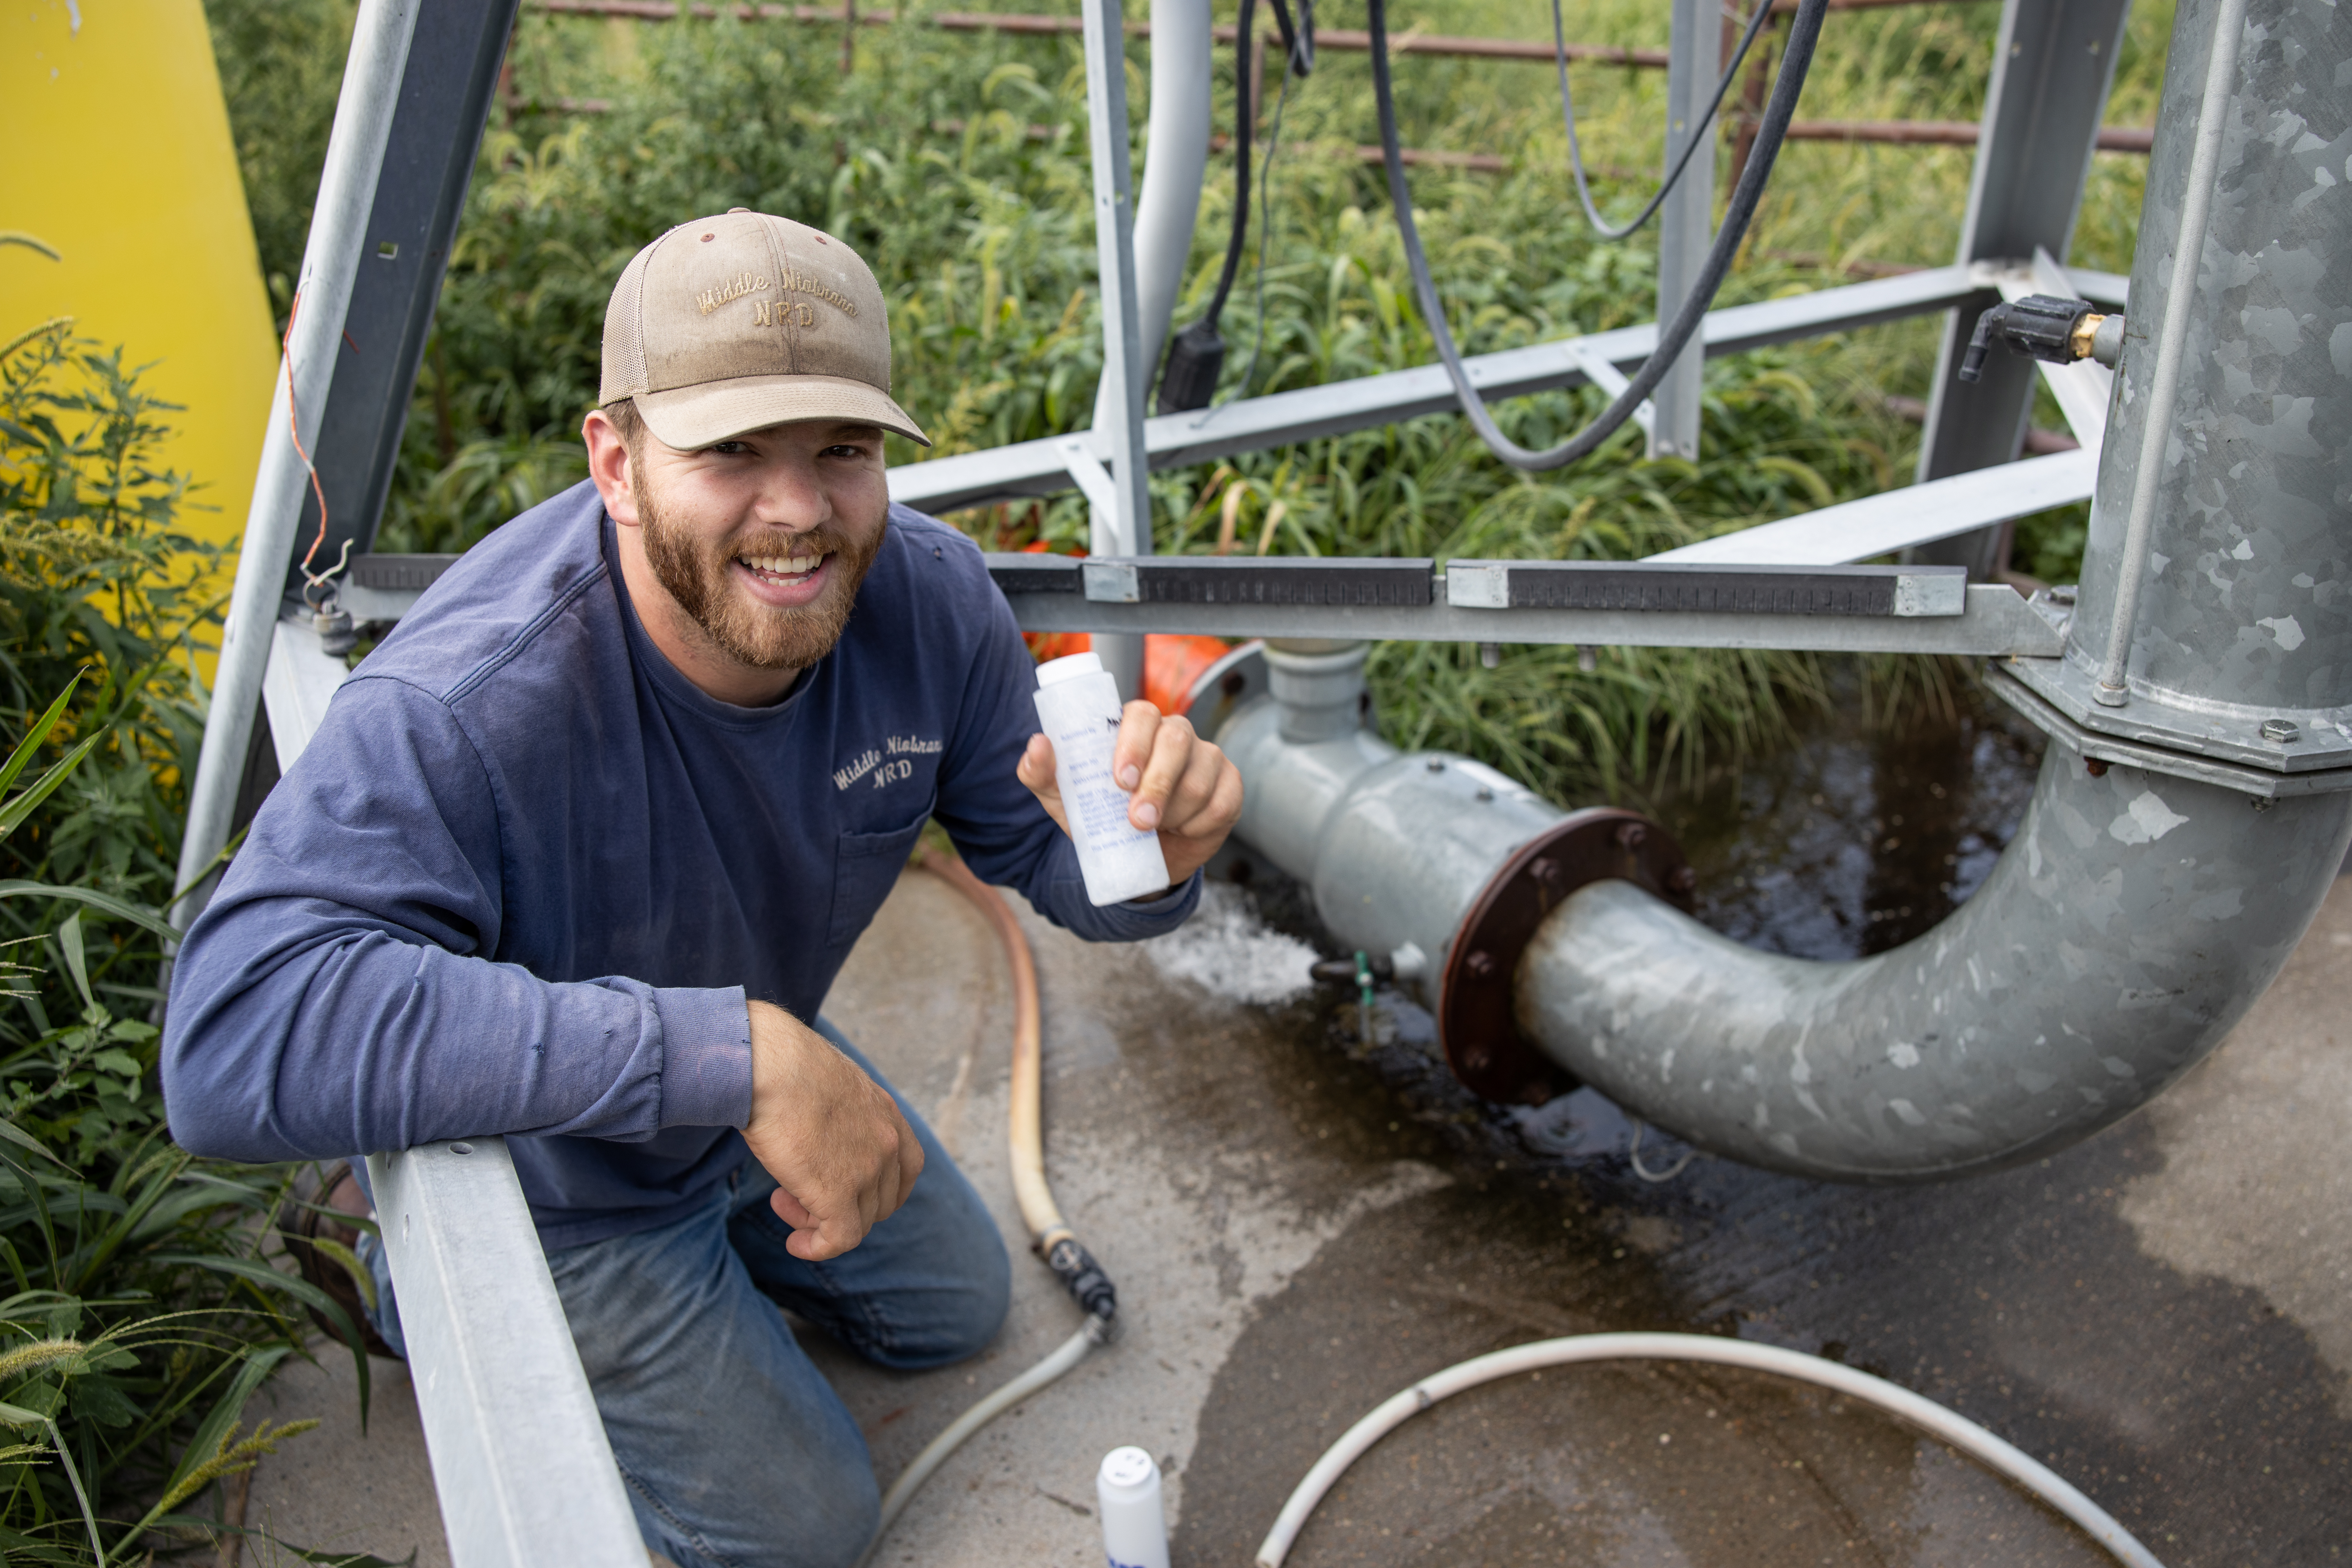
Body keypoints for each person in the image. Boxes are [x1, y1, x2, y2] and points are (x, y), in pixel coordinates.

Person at [161, 209, 1244, 1568]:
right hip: (559, 1174)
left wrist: (1161, 853)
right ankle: (420, 1286)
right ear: (616, 461)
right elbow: (228, 1039)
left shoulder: (931, 603)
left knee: (958, 1309)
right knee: (805, 1527)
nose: (798, 511)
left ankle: (724, 1214)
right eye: (732, 450)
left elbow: (1041, 858)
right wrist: (736, 1055)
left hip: (721, 1082)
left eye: (841, 451)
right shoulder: (470, 705)